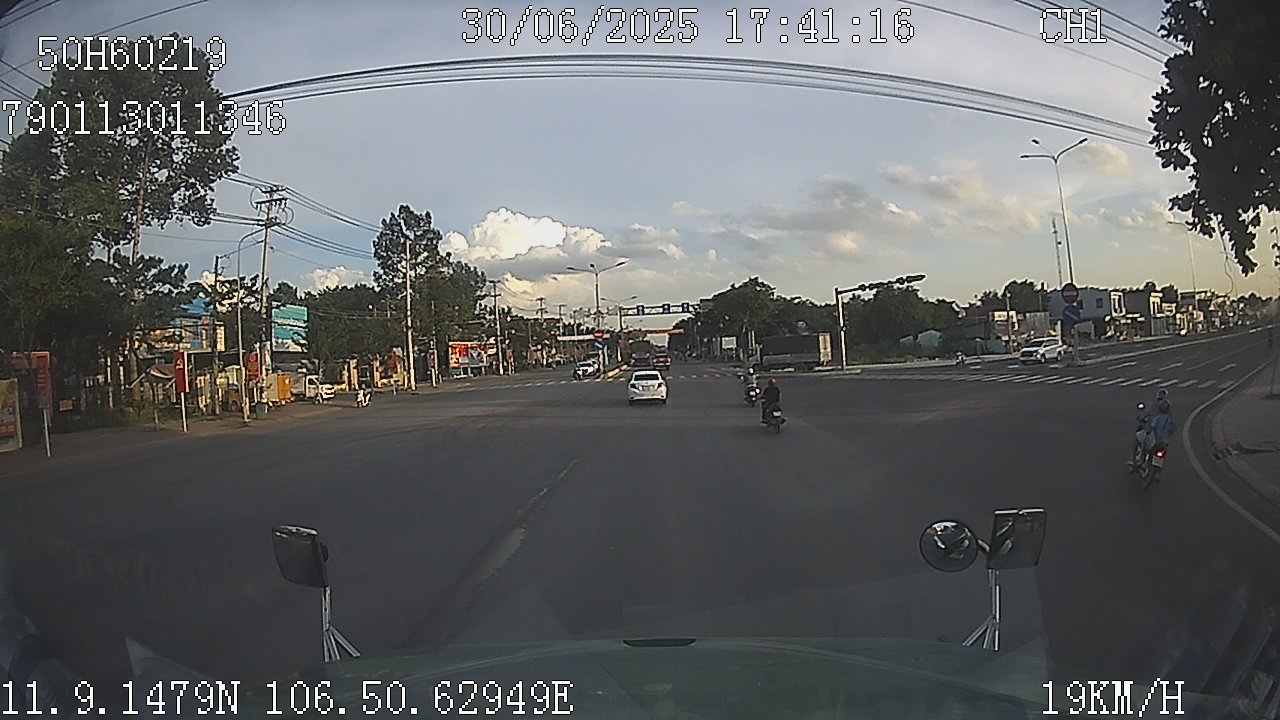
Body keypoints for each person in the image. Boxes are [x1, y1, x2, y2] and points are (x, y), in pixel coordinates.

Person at [1131, 396, 1175, 467]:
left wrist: (1148, 429)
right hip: (1163, 442)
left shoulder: (1158, 417)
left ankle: (1137, 460)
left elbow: (1152, 426)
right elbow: (1172, 429)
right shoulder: (1169, 418)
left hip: (1154, 440)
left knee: (1140, 438)